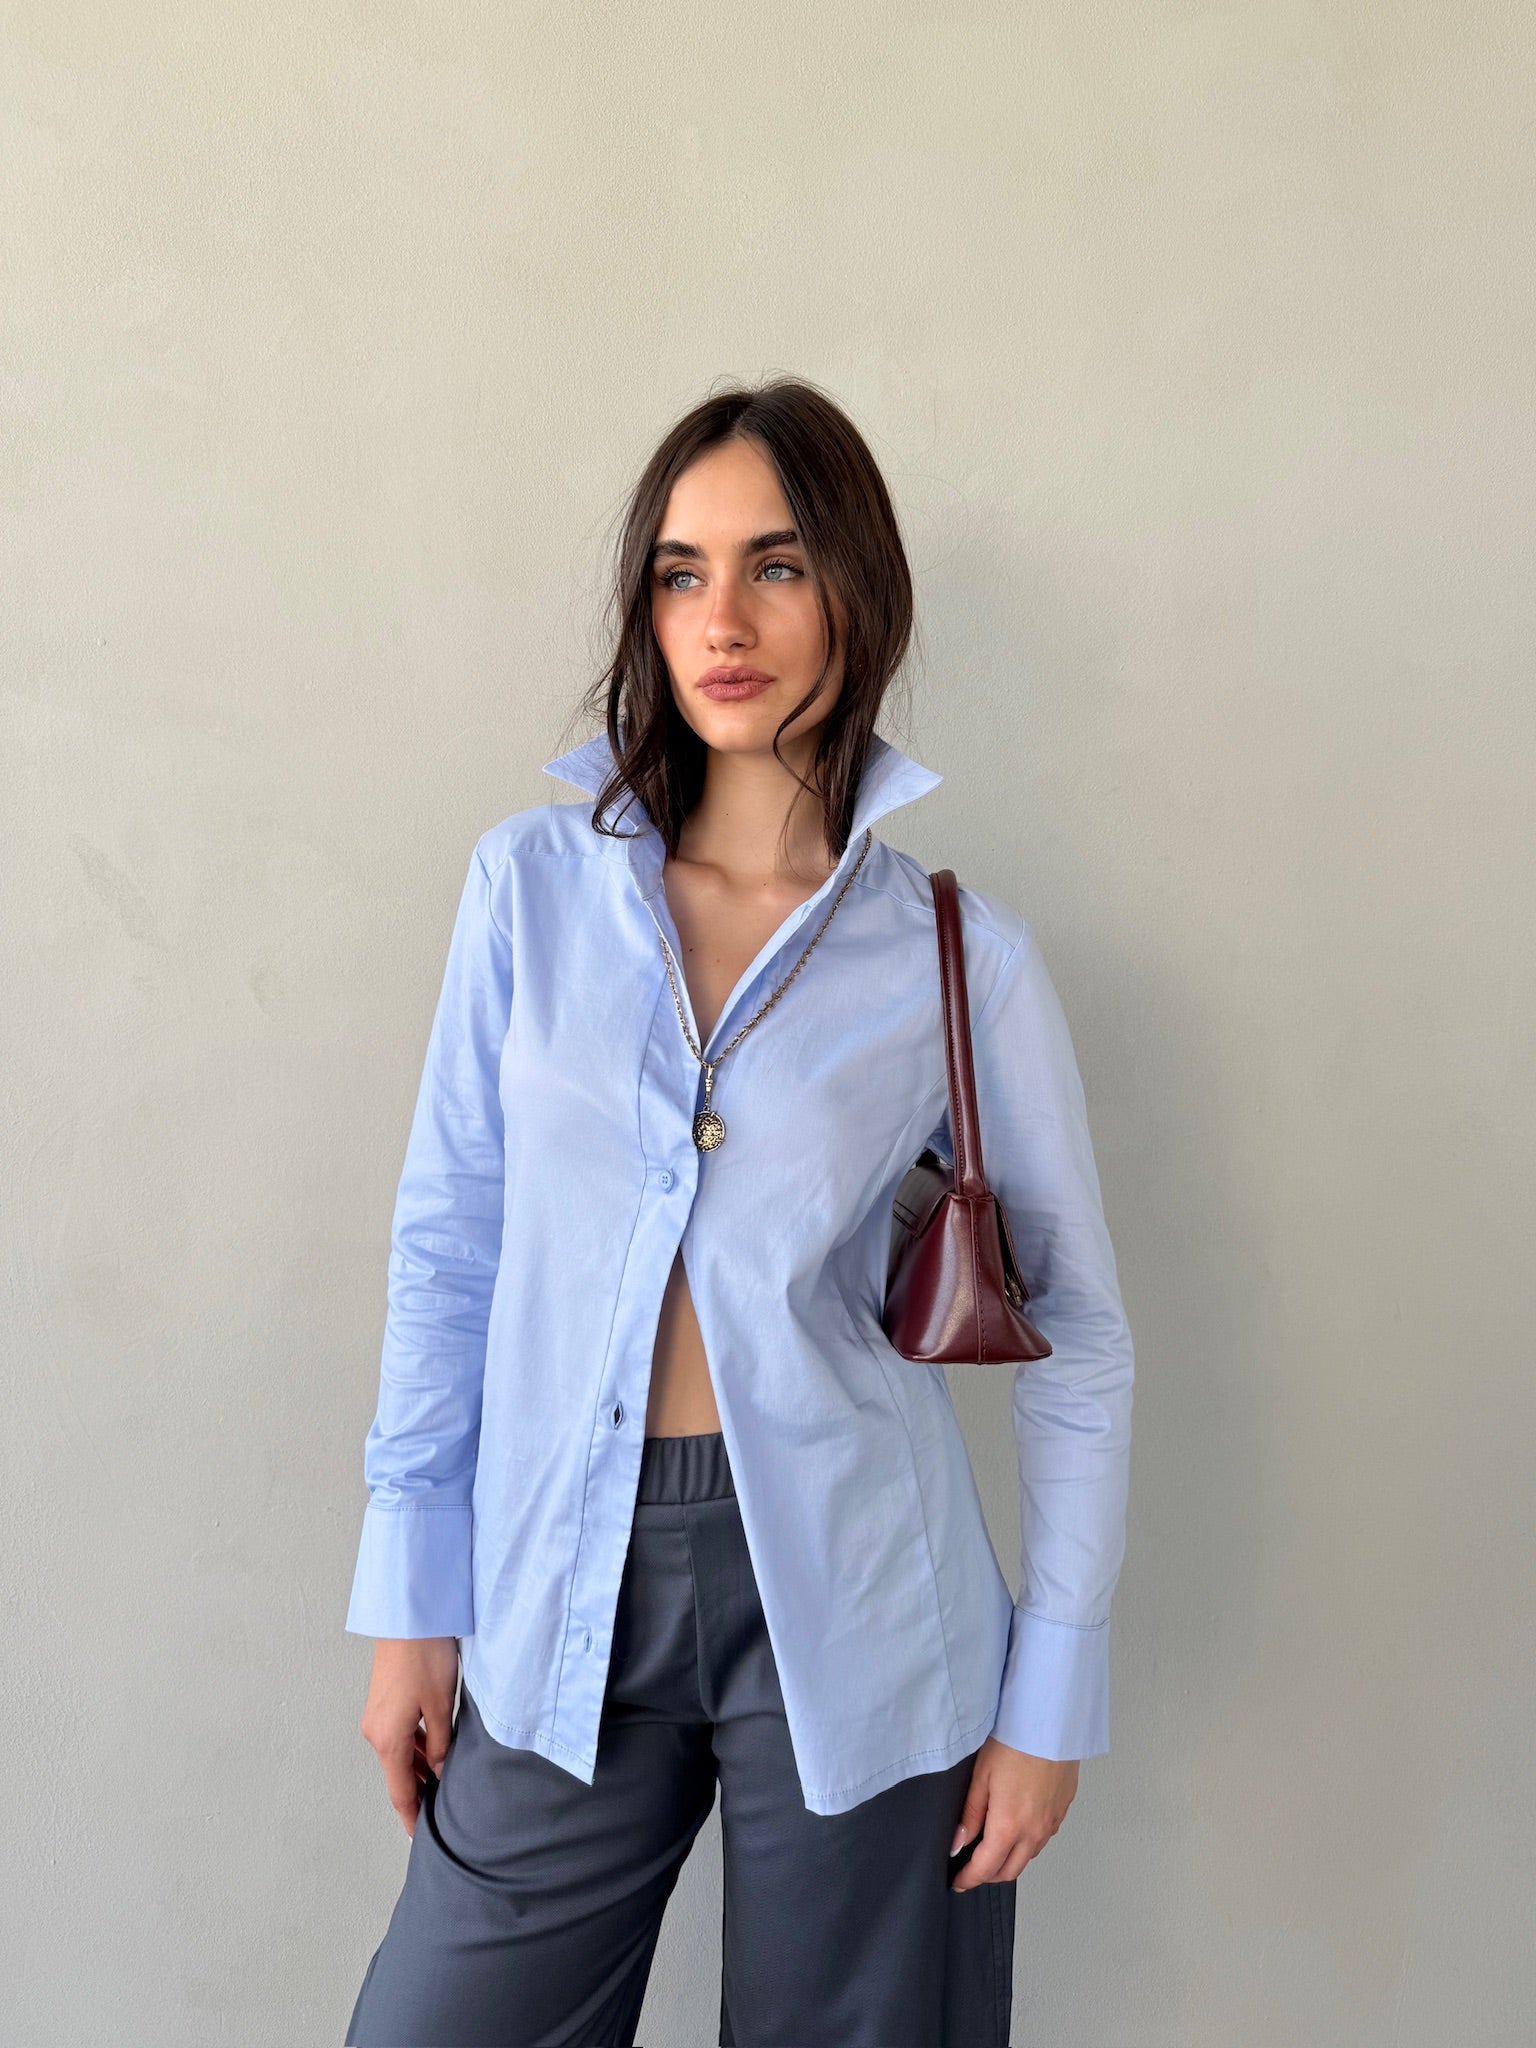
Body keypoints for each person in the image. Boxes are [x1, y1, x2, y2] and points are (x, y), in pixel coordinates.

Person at [341, 376, 1135, 2048]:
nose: (725, 620)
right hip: (560, 1566)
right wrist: (411, 1590)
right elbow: (450, 1246)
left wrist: (1052, 1691)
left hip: (865, 1593)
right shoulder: (530, 893)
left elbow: (1077, 1338)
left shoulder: (955, 955)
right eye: (681, 573)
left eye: (776, 565)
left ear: (856, 590)